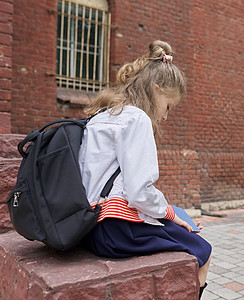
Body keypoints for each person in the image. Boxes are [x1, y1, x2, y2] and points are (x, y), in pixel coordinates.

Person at [79, 40, 212, 298]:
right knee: (203, 250)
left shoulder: (102, 115)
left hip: (87, 227)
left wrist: (172, 213)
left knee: (180, 214)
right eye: (168, 107)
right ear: (156, 89)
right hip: (116, 230)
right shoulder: (137, 118)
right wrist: (170, 214)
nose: (165, 117)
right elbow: (139, 192)